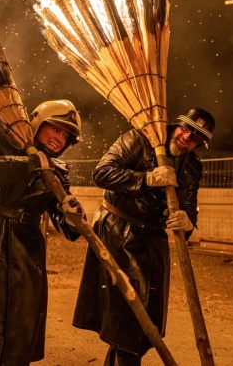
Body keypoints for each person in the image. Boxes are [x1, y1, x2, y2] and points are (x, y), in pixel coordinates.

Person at [72, 107, 216, 366]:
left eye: (195, 137)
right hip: (118, 231)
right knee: (128, 313)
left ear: (199, 144)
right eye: (186, 129)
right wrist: (146, 178)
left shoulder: (192, 166)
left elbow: (189, 205)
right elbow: (101, 173)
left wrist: (187, 221)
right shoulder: (138, 139)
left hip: (154, 240)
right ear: (175, 126)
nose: (187, 137)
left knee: (147, 314)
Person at [0, 100, 84, 365]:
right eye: (56, 129)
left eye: (66, 135)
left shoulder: (57, 172)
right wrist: (28, 163)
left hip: (26, 253)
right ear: (38, 124)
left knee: (19, 333)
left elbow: (68, 227)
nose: (60, 138)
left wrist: (72, 213)